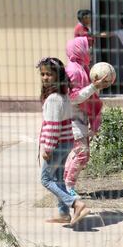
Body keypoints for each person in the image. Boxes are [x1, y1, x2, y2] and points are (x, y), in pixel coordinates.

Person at [37, 57, 101, 226]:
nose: (45, 78)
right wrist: (94, 86)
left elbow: (53, 126)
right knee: (58, 179)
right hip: (66, 142)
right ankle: (63, 213)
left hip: (56, 145)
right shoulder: (63, 95)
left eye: (49, 74)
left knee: (45, 179)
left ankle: (76, 203)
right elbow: (80, 96)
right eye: (42, 74)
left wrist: (47, 148)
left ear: (58, 76)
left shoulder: (53, 99)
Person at [58, 36, 107, 221]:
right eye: (87, 49)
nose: (90, 53)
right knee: (82, 154)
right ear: (79, 50)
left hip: (79, 118)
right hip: (71, 119)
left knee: (79, 154)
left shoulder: (81, 69)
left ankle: (65, 187)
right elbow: (74, 97)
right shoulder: (73, 71)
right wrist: (94, 86)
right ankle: (68, 187)